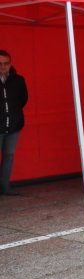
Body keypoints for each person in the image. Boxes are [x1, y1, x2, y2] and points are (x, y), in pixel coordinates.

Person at [0, 50, 27, 196]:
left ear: (10, 64)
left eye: (6, 64)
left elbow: (23, 100)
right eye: (0, 64)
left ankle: (5, 186)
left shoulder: (18, 80)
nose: (3, 67)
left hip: (14, 126)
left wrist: (13, 115)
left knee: (9, 156)